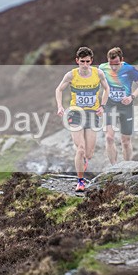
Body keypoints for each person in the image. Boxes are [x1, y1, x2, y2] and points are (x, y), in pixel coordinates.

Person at [55, 46, 110, 192]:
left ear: (91, 61)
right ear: (77, 61)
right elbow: (59, 89)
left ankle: (84, 159)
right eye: (82, 62)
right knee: (80, 149)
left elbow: (107, 89)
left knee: (89, 153)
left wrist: (103, 106)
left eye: (87, 62)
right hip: (76, 113)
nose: (85, 65)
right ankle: (80, 181)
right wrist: (60, 106)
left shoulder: (98, 73)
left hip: (92, 114)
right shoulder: (71, 75)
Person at [98, 47, 138, 165]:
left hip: (126, 106)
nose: (113, 67)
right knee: (109, 137)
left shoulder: (129, 69)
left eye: (117, 64)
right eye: (111, 64)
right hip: (110, 105)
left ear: (122, 60)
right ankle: (114, 167)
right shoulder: (102, 68)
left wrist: (131, 97)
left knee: (125, 141)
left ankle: (127, 166)